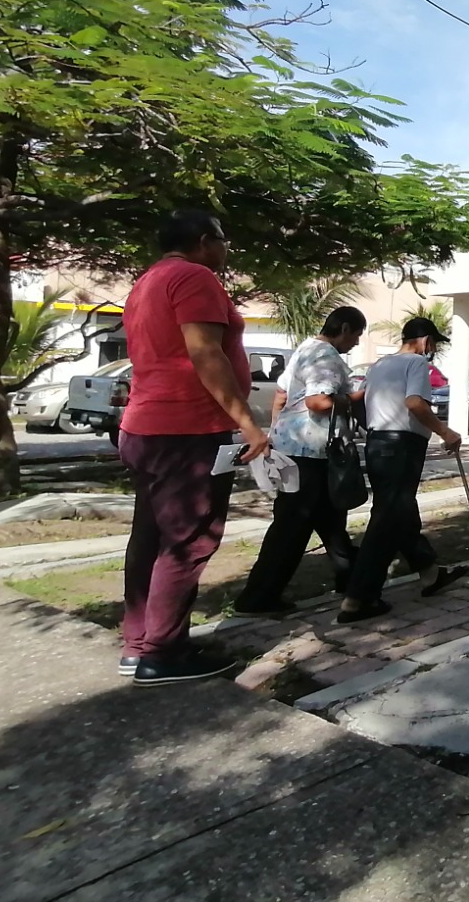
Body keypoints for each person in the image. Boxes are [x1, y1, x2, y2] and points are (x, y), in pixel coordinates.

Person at [118, 210, 269, 686]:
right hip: (186, 429)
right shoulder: (193, 275)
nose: (226, 252)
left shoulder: (147, 281)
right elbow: (206, 353)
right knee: (190, 539)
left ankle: (138, 642)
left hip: (145, 426)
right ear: (206, 241)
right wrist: (248, 422)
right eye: (224, 242)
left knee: (150, 535)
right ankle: (164, 654)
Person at [232, 306, 367, 616]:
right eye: (357, 335)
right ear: (344, 328)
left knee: (331, 522)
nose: (357, 343)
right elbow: (318, 401)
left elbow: (281, 394)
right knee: (291, 528)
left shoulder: (304, 349)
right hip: (311, 453)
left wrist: (277, 434)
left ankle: (354, 581)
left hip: (295, 448)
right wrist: (356, 398)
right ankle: (257, 597)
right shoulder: (326, 356)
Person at [336, 317, 467, 621]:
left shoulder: (379, 365)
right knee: (386, 520)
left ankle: (429, 572)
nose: (433, 349)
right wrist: (445, 432)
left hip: (378, 441)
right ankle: (359, 598)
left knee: (399, 511)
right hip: (402, 446)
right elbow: (415, 403)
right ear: (424, 340)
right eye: (433, 343)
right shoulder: (417, 363)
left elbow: (359, 400)